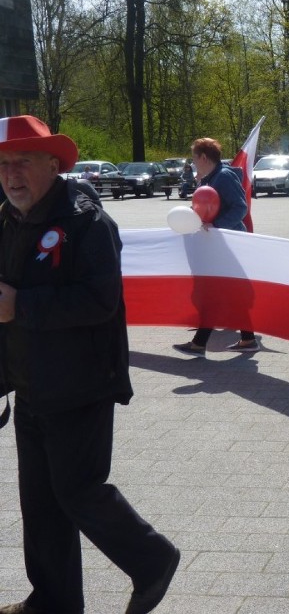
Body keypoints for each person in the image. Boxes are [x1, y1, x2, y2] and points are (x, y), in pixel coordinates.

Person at [0, 115, 180, 614]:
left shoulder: (86, 221)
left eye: (23, 163)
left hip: (80, 385)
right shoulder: (8, 220)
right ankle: (52, 602)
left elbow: (101, 301)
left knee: (77, 491)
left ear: (52, 165)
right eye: (4, 165)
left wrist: (22, 306)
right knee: (39, 503)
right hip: (30, 385)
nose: (12, 175)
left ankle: (152, 560)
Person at [173, 138, 259, 354]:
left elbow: (240, 208)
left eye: (194, 158)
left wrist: (216, 224)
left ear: (203, 157)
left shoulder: (224, 177)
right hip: (218, 244)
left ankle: (200, 343)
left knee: (215, 292)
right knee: (229, 292)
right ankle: (247, 340)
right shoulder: (210, 179)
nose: (193, 163)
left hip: (228, 243)